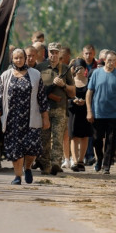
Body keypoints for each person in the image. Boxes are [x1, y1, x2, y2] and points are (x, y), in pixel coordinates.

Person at [0, 47, 49, 186]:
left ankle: (28, 167)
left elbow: (42, 97)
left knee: (31, 148)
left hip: (31, 118)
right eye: (16, 58)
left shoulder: (35, 74)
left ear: (25, 58)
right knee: (15, 149)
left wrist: (45, 117)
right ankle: (18, 176)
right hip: (12, 119)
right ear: (12, 59)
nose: (19, 60)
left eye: (21, 57)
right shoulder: (5, 76)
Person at [86, 51, 116, 175]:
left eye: (114, 61)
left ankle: (106, 166)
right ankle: (99, 159)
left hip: (114, 114)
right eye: (109, 60)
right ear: (105, 60)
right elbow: (89, 93)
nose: (111, 63)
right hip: (98, 113)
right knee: (96, 140)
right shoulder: (96, 73)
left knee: (111, 141)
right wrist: (89, 110)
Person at [38, 42, 75, 175]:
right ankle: (45, 164)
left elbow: (73, 92)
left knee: (58, 138)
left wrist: (63, 85)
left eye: (56, 52)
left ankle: (55, 164)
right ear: (48, 53)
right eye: (51, 52)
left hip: (60, 108)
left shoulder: (64, 69)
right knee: (44, 138)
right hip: (44, 109)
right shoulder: (40, 68)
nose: (53, 55)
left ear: (59, 54)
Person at [67, 65, 91, 171]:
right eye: (76, 68)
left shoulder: (89, 81)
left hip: (85, 111)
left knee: (85, 136)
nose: (78, 70)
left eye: (81, 68)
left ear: (85, 69)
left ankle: (81, 160)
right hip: (73, 111)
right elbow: (66, 96)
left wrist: (86, 102)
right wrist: (73, 101)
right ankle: (75, 161)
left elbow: (92, 95)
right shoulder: (70, 81)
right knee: (74, 136)